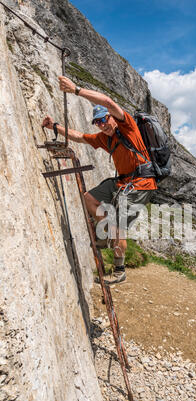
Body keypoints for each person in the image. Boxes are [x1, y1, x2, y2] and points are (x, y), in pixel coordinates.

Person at [42, 75, 157, 284]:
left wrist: (75, 90)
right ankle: (104, 227)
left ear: (112, 117)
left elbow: (108, 102)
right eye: (97, 122)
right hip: (123, 182)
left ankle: (119, 271)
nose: (102, 124)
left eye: (104, 119)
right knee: (88, 198)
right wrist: (54, 127)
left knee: (118, 228)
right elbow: (79, 136)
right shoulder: (104, 138)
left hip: (141, 184)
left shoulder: (127, 127)